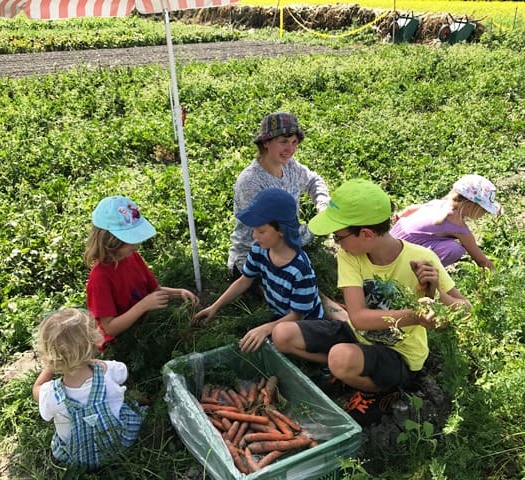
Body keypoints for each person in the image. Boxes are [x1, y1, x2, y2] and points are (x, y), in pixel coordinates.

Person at [272, 179, 471, 401]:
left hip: (399, 353)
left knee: (339, 357)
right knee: (282, 334)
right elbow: (358, 318)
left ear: (366, 234)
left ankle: (375, 390)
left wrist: (439, 294)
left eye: (339, 237)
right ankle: (349, 368)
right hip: (357, 334)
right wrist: (415, 316)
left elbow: (465, 309)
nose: (337, 243)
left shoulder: (423, 259)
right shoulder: (350, 255)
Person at [194, 188, 324, 353]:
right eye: (254, 230)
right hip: (278, 315)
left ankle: (323, 362)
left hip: (304, 325)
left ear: (281, 231)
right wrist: (215, 306)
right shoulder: (259, 249)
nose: (255, 236)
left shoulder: (300, 269)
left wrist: (265, 328)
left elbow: (297, 316)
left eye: (261, 231)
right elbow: (244, 280)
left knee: (275, 344)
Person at [32, 308, 146, 470]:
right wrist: (98, 363)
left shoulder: (51, 394)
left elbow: (36, 390)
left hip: (77, 459)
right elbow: (123, 372)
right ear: (93, 342)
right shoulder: (107, 371)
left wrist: (52, 366)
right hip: (120, 443)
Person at [84, 195, 198, 349]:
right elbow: (109, 328)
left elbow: (154, 292)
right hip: (121, 345)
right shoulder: (99, 278)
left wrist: (179, 293)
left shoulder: (132, 257)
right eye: (130, 240)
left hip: (144, 330)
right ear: (109, 240)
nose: (136, 245)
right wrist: (143, 306)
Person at [227, 112, 330, 278]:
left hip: (288, 246)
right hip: (255, 256)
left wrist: (323, 205)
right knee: (298, 287)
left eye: (294, 142)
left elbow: (313, 181)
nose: (290, 149)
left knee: (303, 284)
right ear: (266, 143)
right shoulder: (250, 182)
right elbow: (269, 236)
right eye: (283, 142)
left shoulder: (290, 166)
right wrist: (312, 230)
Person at [390, 174, 501, 270]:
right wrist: (495, 272)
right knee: (455, 249)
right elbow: (480, 260)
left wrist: (399, 217)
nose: (485, 213)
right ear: (469, 206)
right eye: (484, 209)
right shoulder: (458, 226)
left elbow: (411, 209)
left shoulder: (438, 203)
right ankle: (415, 272)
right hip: (403, 253)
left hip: (394, 238)